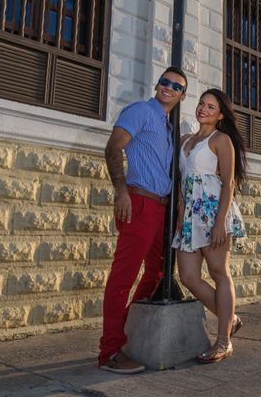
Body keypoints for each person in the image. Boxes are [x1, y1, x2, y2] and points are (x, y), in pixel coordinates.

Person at [98, 67, 187, 374]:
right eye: (165, 81)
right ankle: (109, 351)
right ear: (157, 83)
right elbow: (113, 148)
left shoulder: (167, 125)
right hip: (138, 203)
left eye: (176, 86)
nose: (168, 87)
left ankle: (123, 334)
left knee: (159, 273)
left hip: (159, 208)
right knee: (123, 278)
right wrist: (121, 192)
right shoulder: (140, 111)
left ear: (181, 95)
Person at [172, 88, 247, 364]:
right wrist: (180, 207)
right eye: (202, 104)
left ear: (221, 114)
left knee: (219, 272)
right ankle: (232, 319)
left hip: (212, 211)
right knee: (189, 277)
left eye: (211, 106)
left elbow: (227, 183)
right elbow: (182, 179)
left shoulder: (221, 140)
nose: (203, 109)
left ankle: (223, 341)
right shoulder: (185, 140)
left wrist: (219, 223)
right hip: (189, 215)